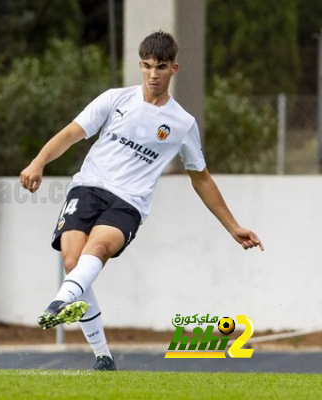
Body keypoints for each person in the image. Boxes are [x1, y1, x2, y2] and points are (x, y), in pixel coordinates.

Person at [19, 30, 264, 372]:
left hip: (129, 202)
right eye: (147, 66)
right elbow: (71, 134)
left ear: (173, 69)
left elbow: (201, 178)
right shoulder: (114, 100)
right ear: (140, 65)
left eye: (161, 67)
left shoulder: (182, 123)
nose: (153, 74)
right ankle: (103, 357)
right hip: (87, 188)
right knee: (74, 262)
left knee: (99, 249)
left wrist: (233, 226)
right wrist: (38, 161)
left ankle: (61, 301)